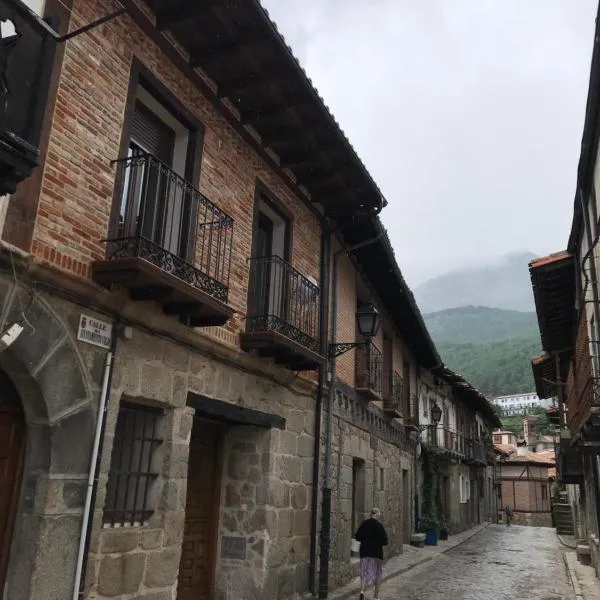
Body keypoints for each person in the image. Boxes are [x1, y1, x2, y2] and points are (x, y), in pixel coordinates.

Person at [354, 507, 388, 600]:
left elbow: (357, 536)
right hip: (376, 553)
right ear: (377, 514)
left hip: (365, 552)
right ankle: (375, 597)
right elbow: (385, 541)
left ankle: (362, 591)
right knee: (377, 574)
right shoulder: (379, 526)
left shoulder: (364, 524)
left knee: (364, 572)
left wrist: (365, 539)